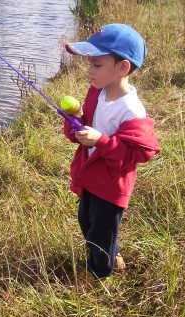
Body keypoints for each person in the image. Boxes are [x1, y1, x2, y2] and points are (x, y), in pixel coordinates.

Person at [63, 24, 161, 279]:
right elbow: (84, 131)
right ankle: (111, 256)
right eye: (90, 64)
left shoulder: (132, 110)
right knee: (86, 221)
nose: (89, 70)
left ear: (122, 68)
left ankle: (99, 275)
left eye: (97, 65)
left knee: (100, 234)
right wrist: (74, 120)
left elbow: (138, 154)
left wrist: (101, 141)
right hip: (90, 176)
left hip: (111, 183)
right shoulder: (97, 92)